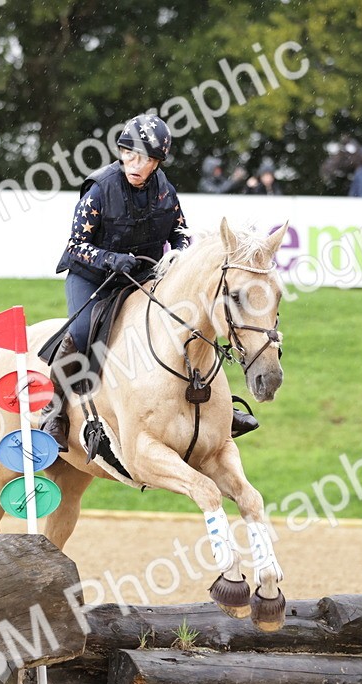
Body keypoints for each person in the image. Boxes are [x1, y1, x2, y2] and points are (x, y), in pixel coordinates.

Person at [41, 115, 262, 451]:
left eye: (145, 159)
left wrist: (176, 255)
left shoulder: (165, 191)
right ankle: (53, 411)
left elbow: (179, 233)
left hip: (141, 274)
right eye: (129, 154)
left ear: (157, 162)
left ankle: (219, 407)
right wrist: (110, 259)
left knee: (190, 323)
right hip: (92, 277)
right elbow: (75, 245)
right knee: (84, 330)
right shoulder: (99, 189)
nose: (135, 164)